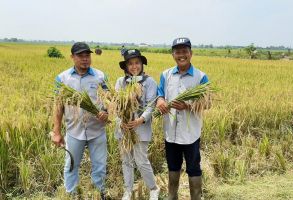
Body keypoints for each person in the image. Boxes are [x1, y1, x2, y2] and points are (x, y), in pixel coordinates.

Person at [51, 42, 109, 199]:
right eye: (80, 56)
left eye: (87, 55)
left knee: (100, 166)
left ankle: (99, 193)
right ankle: (71, 194)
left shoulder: (100, 76)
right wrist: (56, 132)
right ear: (72, 57)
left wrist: (106, 112)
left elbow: (109, 100)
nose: (85, 59)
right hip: (74, 131)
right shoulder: (63, 78)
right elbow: (58, 106)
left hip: (97, 130)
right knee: (71, 166)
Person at [156, 37, 209, 200]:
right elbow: (160, 95)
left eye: (184, 51)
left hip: (190, 133)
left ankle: (196, 197)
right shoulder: (166, 75)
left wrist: (187, 106)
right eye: (177, 52)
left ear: (190, 53)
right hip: (170, 132)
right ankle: (172, 196)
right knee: (173, 166)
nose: (181, 55)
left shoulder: (201, 77)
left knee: (193, 167)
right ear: (173, 54)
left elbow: (207, 103)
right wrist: (161, 101)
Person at [115, 49, 160, 200]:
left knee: (141, 161)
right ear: (126, 67)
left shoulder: (149, 82)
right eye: (130, 63)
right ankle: (128, 190)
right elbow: (115, 106)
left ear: (142, 64)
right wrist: (120, 122)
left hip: (141, 129)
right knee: (126, 160)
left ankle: (153, 188)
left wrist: (140, 120)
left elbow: (151, 105)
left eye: (137, 63)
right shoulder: (120, 82)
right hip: (123, 129)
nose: (134, 66)